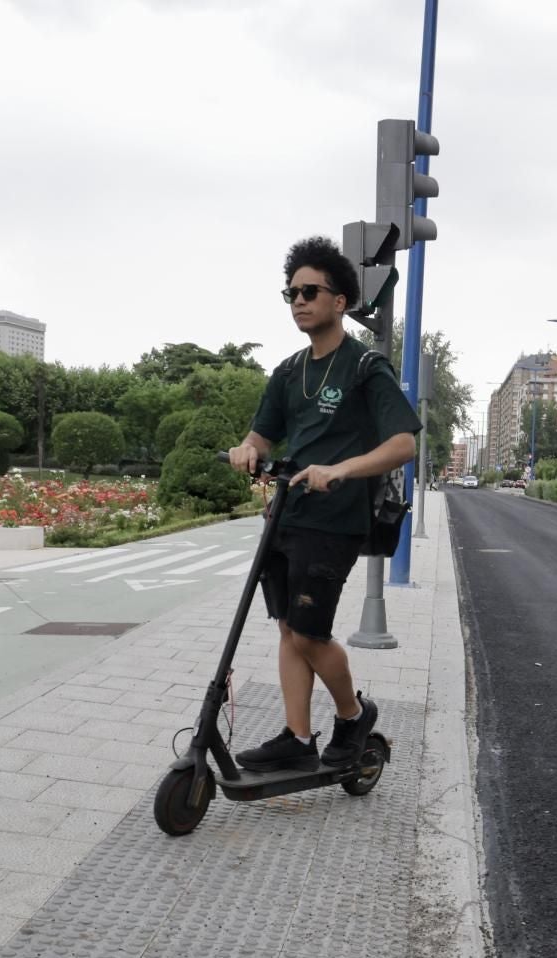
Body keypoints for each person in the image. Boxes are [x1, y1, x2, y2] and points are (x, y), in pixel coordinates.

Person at [226, 235, 421, 773]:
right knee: (289, 628)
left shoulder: (364, 367)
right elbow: (263, 435)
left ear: (341, 301)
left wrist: (339, 469)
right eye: (290, 292)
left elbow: (404, 442)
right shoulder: (289, 371)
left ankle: (353, 714)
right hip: (286, 516)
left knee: (310, 632)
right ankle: (297, 736)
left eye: (310, 290)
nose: (298, 300)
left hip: (335, 521)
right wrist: (248, 449)